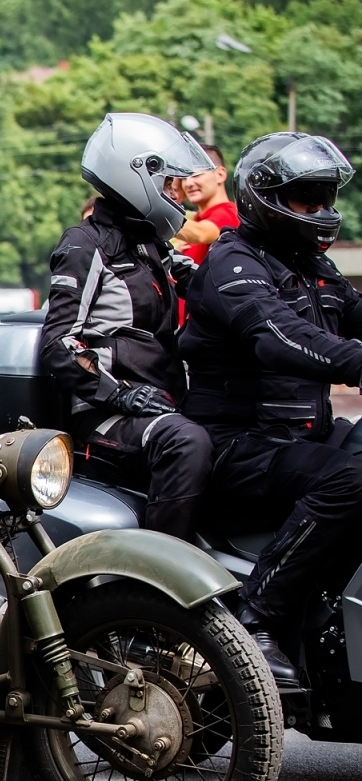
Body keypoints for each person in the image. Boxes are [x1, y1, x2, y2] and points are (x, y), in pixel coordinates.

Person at [180, 132, 362, 685]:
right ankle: (258, 614)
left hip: (300, 439)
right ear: (266, 198)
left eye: (325, 198)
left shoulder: (314, 267)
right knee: (356, 479)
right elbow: (276, 336)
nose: (321, 211)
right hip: (239, 445)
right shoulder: (234, 263)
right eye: (307, 198)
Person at [39, 113, 217, 543]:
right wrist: (121, 394)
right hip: (105, 415)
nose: (175, 193)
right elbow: (59, 344)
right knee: (186, 443)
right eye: (168, 183)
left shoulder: (151, 245)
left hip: (162, 400)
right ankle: (161, 577)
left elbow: (212, 289)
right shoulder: (86, 245)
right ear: (138, 173)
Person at [178, 144, 239, 265]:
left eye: (196, 175)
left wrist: (153, 214)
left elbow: (201, 234)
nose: (188, 183)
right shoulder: (196, 221)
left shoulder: (229, 213)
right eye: (184, 178)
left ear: (220, 174)